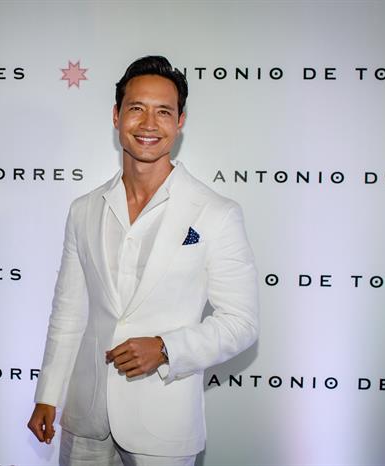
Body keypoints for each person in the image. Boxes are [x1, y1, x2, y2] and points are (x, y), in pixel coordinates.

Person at [28, 55, 259, 466]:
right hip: (86, 419)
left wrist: (166, 348)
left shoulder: (216, 212)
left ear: (180, 121)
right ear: (116, 116)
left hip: (163, 426)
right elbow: (69, 312)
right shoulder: (84, 209)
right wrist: (48, 395)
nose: (149, 123)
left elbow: (241, 323)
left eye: (163, 112)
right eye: (136, 108)